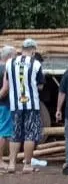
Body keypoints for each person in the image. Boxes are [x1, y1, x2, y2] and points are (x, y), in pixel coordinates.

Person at [0, 38, 44, 174]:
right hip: (31, 105)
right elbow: (40, 85)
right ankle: (27, 164)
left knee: (15, 134)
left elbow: (6, 84)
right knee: (30, 134)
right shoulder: (36, 64)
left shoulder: (9, 63)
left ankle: (12, 164)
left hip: (15, 105)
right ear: (33, 50)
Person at [0, 45, 17, 169]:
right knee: (3, 133)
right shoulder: (7, 69)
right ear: (10, 57)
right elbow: (6, 88)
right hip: (5, 105)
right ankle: (0, 161)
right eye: (15, 56)